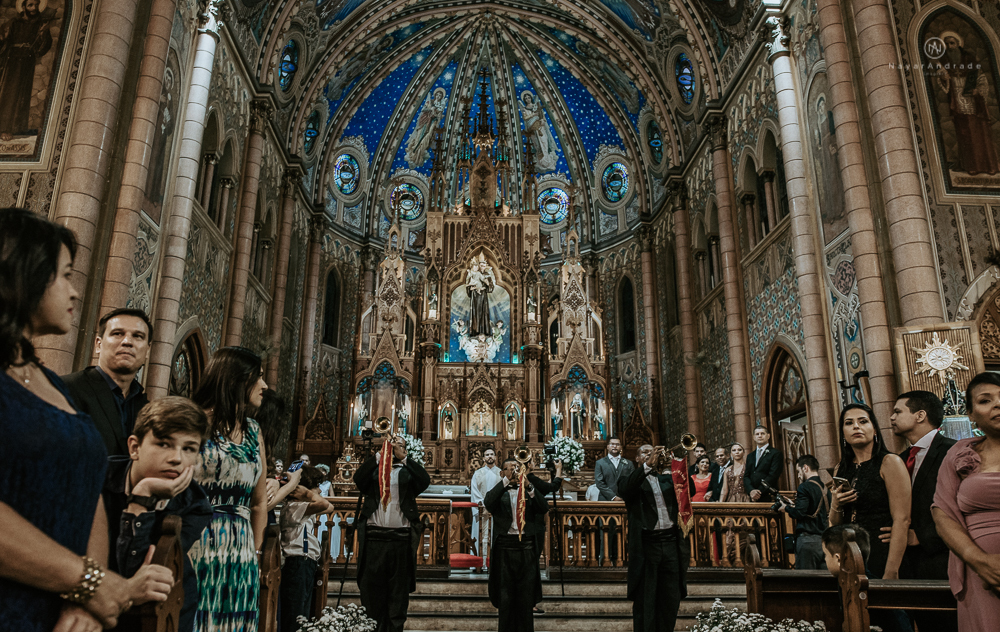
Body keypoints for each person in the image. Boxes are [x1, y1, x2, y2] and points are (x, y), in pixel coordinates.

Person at [0, 208, 172, 632]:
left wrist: (86, 599)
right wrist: (89, 582)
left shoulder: (45, 379)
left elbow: (88, 485)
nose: (75, 293)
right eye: (64, 275)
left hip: (66, 611)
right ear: (24, 275)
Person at [101, 397, 213, 632]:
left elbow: (140, 571)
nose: (177, 458)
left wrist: (142, 498)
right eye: (164, 444)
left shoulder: (195, 504)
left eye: (189, 449)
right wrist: (141, 495)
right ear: (134, 447)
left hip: (164, 611)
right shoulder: (98, 476)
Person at [188, 346, 270, 632]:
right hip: (198, 542)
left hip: (242, 551)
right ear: (236, 380)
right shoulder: (193, 421)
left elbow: (259, 503)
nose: (265, 385)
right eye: (258, 378)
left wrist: (255, 554)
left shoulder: (253, 430)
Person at [830, 403, 911, 632]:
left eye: (863, 421)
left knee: (892, 622)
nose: (856, 426)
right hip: (850, 558)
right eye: (849, 423)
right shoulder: (840, 469)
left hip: (882, 552)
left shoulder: (889, 462)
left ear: (875, 429)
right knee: (858, 622)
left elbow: (902, 519)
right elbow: (834, 524)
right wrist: (835, 503)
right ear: (843, 433)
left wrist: (891, 572)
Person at [885, 390, 958, 632]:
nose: (892, 417)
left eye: (898, 411)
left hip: (944, 559)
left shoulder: (953, 451)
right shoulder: (901, 459)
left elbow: (963, 508)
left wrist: (923, 536)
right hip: (910, 564)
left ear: (920, 415)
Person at [933, 371, 1000, 630]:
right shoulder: (960, 454)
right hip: (978, 572)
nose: (997, 404)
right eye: (985, 400)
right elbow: (943, 514)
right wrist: (981, 561)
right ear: (970, 414)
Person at [353, 434, 430, 632]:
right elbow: (358, 479)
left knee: (397, 597)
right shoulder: (374, 471)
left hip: (400, 539)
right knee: (371, 596)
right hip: (374, 538)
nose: (395, 448)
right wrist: (380, 455)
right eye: (393, 445)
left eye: (400, 446)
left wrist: (403, 458)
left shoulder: (408, 472)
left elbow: (425, 480)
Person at [619, 444, 690, 632]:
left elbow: (683, 491)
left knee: (670, 598)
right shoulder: (631, 481)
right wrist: (648, 466)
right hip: (647, 545)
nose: (649, 454)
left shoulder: (668, 480)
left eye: (652, 452)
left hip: (670, 543)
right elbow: (625, 489)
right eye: (644, 452)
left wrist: (672, 463)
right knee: (646, 599)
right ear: (637, 458)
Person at [63, 308, 152, 456]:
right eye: (118, 333)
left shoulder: (147, 409)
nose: (127, 342)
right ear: (98, 344)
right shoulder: (67, 389)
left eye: (138, 336)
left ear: (147, 351)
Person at [484, 458, 549, 632]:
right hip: (505, 548)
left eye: (516, 467)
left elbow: (544, 508)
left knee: (525, 599)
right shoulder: (500, 491)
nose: (514, 470)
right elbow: (488, 503)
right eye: (509, 468)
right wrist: (506, 481)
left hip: (525, 548)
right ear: (502, 472)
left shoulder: (528, 491)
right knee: (505, 598)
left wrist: (529, 486)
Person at [278, 465, 332, 632]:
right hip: (297, 561)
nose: (320, 491)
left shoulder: (302, 506)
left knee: (303, 612)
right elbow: (324, 504)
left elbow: (330, 507)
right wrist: (307, 494)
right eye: (316, 486)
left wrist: (308, 494)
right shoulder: (295, 506)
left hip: (303, 561)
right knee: (296, 614)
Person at [776, 455, 830, 569]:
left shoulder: (804, 487)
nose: (798, 475)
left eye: (798, 471)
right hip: (825, 542)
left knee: (807, 582)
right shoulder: (826, 489)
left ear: (805, 468)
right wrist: (794, 505)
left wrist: (786, 508)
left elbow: (799, 513)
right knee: (825, 583)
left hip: (808, 542)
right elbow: (812, 509)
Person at [470, 447, 501, 562]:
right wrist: (483, 505)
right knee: (480, 536)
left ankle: (494, 563)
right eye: (487, 455)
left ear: (495, 457)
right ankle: (479, 562)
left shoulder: (501, 473)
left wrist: (494, 505)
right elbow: (474, 492)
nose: (490, 456)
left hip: (496, 511)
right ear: (483, 458)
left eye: (492, 454)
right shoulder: (478, 473)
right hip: (482, 510)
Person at [744, 426, 783, 502]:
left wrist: (758, 492)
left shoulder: (775, 453)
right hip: (752, 496)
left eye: (762, 433)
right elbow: (746, 476)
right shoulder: (750, 456)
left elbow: (773, 475)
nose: (760, 436)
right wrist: (751, 491)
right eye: (757, 434)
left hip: (768, 494)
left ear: (768, 436)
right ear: (754, 437)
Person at [594, 436, 633, 501]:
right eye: (612, 444)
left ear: (621, 447)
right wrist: (613, 497)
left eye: (617, 444)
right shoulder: (600, 463)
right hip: (605, 499)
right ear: (607, 446)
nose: (615, 446)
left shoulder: (629, 463)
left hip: (625, 499)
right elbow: (599, 483)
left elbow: (632, 481)